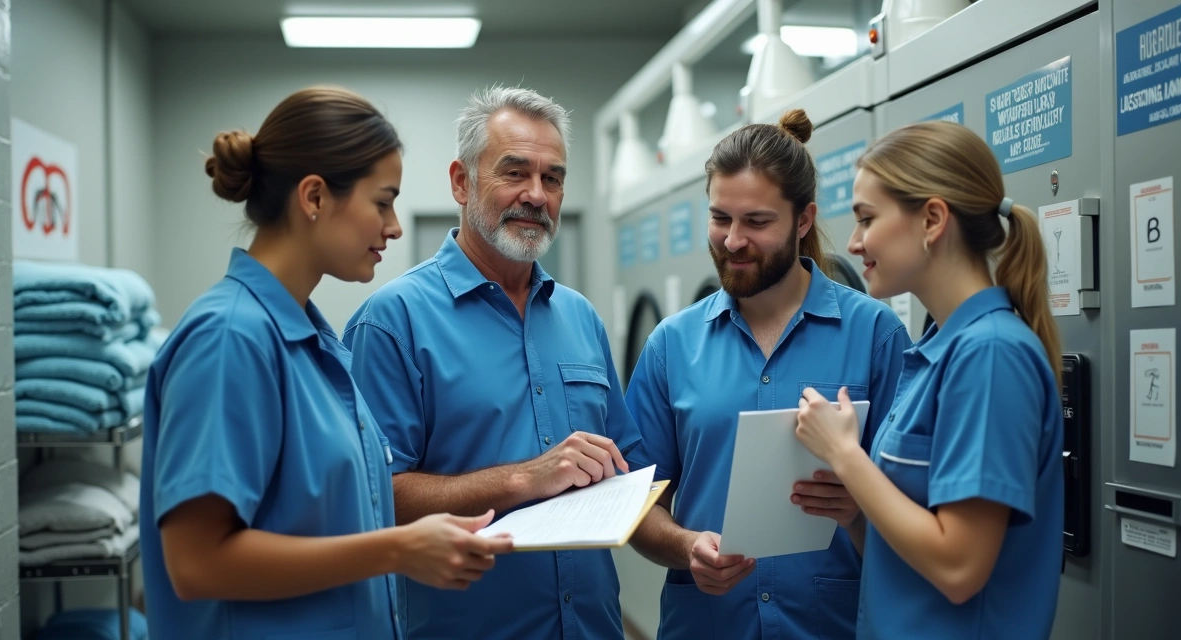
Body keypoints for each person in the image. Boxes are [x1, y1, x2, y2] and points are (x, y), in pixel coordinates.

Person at [139, 86, 512, 640]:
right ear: (314, 197)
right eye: (382, 202)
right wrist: (398, 547)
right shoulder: (229, 338)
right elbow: (197, 563)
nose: (394, 227)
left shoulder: (312, 340)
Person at [342, 85, 641, 639]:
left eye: (552, 178)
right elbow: (374, 496)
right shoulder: (393, 321)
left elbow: (626, 467)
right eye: (514, 172)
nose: (536, 194)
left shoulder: (580, 318)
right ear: (462, 181)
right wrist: (524, 478)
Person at [625, 109, 911, 640]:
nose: (733, 240)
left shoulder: (875, 333)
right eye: (720, 218)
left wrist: (859, 509)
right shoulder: (672, 345)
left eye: (757, 222)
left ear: (803, 220)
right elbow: (638, 504)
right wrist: (687, 547)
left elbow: (918, 510)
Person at [794, 120, 1064, 639]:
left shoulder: (991, 356)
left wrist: (847, 456)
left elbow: (959, 569)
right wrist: (855, 513)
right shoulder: (936, 351)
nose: (853, 243)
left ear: (933, 219)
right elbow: (906, 556)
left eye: (866, 219)